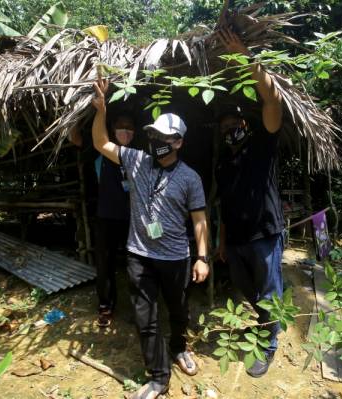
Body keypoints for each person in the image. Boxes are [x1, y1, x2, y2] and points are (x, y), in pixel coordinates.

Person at [90, 76, 210, 399]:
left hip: (175, 258)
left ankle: (179, 347)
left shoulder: (190, 178)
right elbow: (102, 144)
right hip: (139, 254)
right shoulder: (137, 160)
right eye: (154, 134)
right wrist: (101, 111)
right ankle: (158, 377)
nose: (157, 140)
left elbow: (199, 220)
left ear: (179, 142)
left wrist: (201, 257)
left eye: (166, 137)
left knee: (178, 310)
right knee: (146, 316)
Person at [215, 27, 286, 378]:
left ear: (245, 124)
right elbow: (224, 205)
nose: (231, 130)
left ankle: (269, 344)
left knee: (270, 291)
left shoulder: (262, 147)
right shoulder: (224, 164)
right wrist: (222, 241)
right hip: (238, 241)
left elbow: (272, 102)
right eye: (225, 126)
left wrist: (247, 60)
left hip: (265, 236)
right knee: (248, 290)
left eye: (235, 124)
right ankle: (265, 324)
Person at [70, 111, 136, 327]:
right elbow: (75, 138)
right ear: (112, 127)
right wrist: (74, 114)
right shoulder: (100, 148)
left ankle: (139, 308)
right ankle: (106, 306)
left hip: (133, 219)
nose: (125, 130)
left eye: (129, 126)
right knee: (104, 264)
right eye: (121, 125)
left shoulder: (137, 154)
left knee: (136, 263)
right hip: (106, 217)